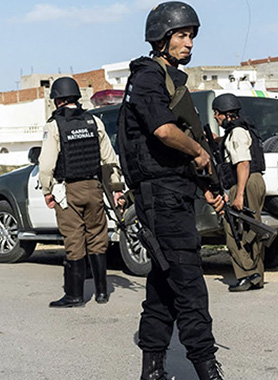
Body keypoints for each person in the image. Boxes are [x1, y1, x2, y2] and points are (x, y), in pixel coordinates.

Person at [116, 2, 225, 379]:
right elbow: (163, 131)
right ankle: (207, 370)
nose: (189, 43)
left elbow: (174, 147)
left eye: (191, 35)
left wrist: (207, 185)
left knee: (163, 286)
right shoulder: (148, 78)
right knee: (190, 284)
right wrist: (198, 152)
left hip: (173, 193)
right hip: (159, 197)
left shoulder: (170, 79)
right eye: (181, 35)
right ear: (161, 38)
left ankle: (153, 369)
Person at [39, 76, 124, 308]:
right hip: (95, 188)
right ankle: (102, 293)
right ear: (76, 97)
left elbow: (46, 165)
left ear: (57, 100)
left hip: (68, 190)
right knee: (97, 237)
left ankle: (75, 296)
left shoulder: (54, 125)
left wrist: (47, 190)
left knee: (74, 239)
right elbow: (109, 159)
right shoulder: (94, 121)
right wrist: (116, 189)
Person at [212, 94, 267, 292]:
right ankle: (256, 276)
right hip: (255, 181)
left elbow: (243, 163)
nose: (216, 119)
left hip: (245, 182)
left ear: (221, 114)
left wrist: (239, 194)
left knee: (233, 229)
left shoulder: (235, 132)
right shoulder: (245, 130)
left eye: (216, 115)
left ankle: (246, 274)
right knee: (252, 228)